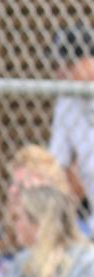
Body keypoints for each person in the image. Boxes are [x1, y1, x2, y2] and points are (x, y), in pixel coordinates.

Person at [49, 24, 93, 218]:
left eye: (69, 64)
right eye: (58, 65)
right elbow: (58, 165)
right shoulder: (66, 102)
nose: (60, 72)